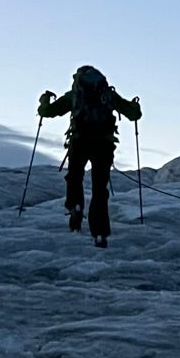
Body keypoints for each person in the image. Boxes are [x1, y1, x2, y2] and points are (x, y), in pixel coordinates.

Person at [38, 66, 142, 247]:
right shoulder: (108, 95)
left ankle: (75, 207)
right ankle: (100, 233)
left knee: (75, 177)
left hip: (79, 142)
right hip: (104, 145)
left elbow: (47, 112)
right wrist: (135, 106)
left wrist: (44, 101)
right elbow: (134, 115)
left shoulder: (75, 95)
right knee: (99, 188)